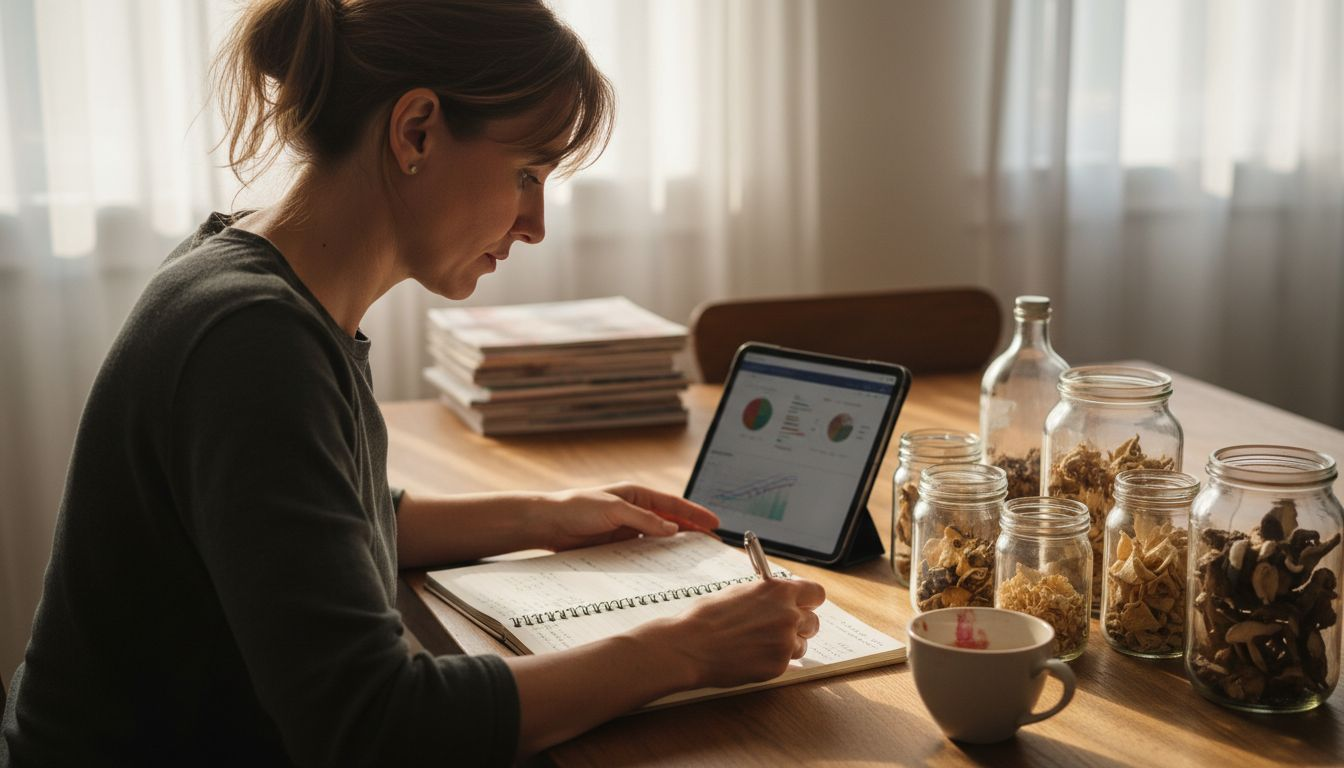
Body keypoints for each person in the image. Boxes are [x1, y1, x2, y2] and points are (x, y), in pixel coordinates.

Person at [0, 1, 825, 765]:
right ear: (418, 131)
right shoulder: (252, 339)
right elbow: (374, 725)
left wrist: (545, 515)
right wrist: (682, 649)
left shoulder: (245, 276)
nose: (536, 225)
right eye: (528, 174)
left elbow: (329, 521)